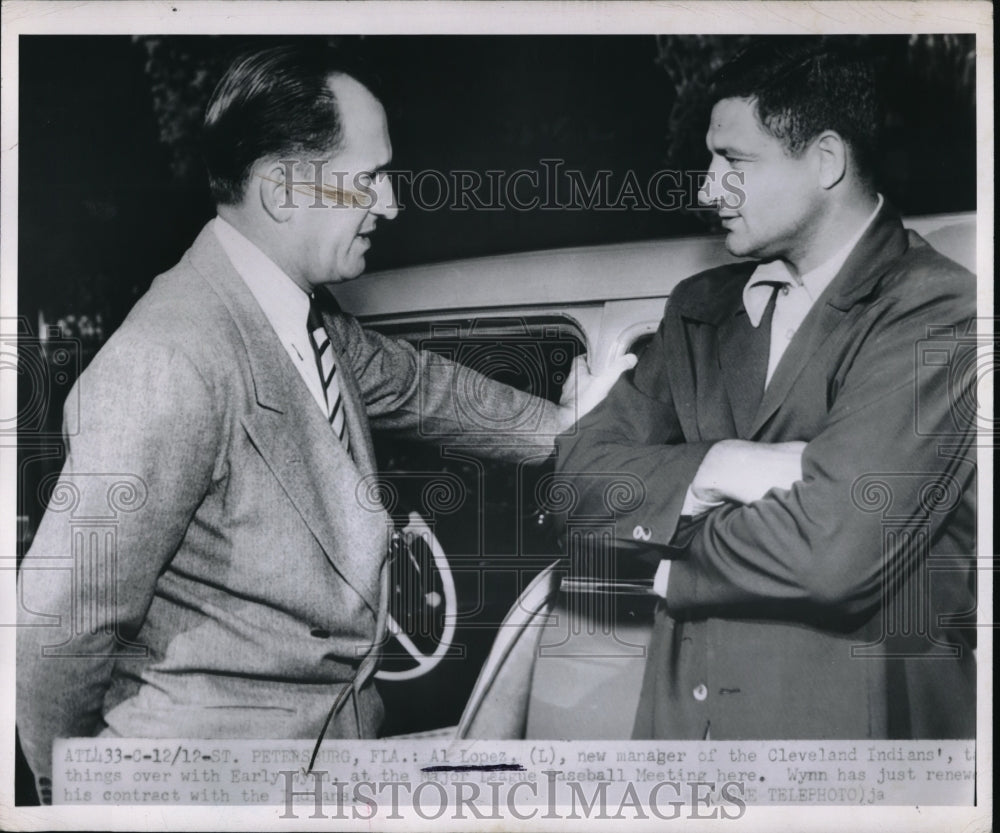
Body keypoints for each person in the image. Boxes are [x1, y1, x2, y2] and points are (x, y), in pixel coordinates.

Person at [16, 44, 633, 796]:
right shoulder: (171, 356)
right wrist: (82, 797)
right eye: (368, 178)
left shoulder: (299, 318)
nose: (393, 203)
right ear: (281, 188)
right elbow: (58, 628)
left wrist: (579, 428)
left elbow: (423, 387)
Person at [555, 39, 976, 740]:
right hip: (685, 751)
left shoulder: (937, 308)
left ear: (827, 161)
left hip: (848, 761)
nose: (705, 188)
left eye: (735, 163)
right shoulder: (698, 308)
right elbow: (573, 480)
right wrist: (724, 464)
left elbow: (834, 549)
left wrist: (662, 565)